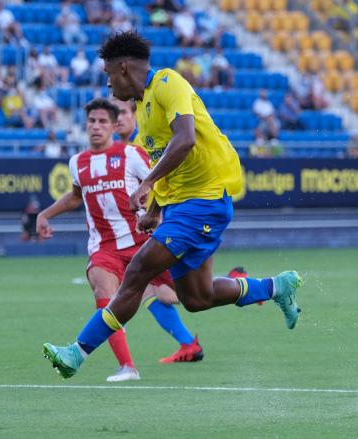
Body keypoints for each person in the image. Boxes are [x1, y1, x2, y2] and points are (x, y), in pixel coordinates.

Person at [43, 31, 302, 379]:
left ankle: (77, 353)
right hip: (182, 205)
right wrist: (153, 211)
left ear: (122, 68)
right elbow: (169, 166)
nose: (107, 85)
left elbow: (185, 139)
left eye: (107, 75)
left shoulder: (167, 82)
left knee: (137, 271)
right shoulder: (144, 115)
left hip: (205, 199)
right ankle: (276, 287)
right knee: (196, 298)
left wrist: (147, 182)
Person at [38, 99, 198, 382]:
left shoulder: (132, 155)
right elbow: (77, 195)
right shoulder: (78, 162)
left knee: (194, 296)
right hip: (104, 249)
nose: (96, 127)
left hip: (143, 244)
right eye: (91, 122)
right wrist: (46, 214)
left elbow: (158, 184)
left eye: (102, 122)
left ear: (113, 125)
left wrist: (155, 215)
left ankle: (255, 287)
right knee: (104, 291)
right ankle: (127, 367)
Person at [112, 97, 204, 363]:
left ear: (135, 114)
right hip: (152, 227)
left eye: (122, 113)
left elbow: (159, 183)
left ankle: (238, 284)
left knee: (169, 291)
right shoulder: (125, 148)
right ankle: (188, 343)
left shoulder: (141, 145)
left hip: (162, 227)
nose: (118, 118)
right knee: (154, 291)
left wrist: (158, 218)